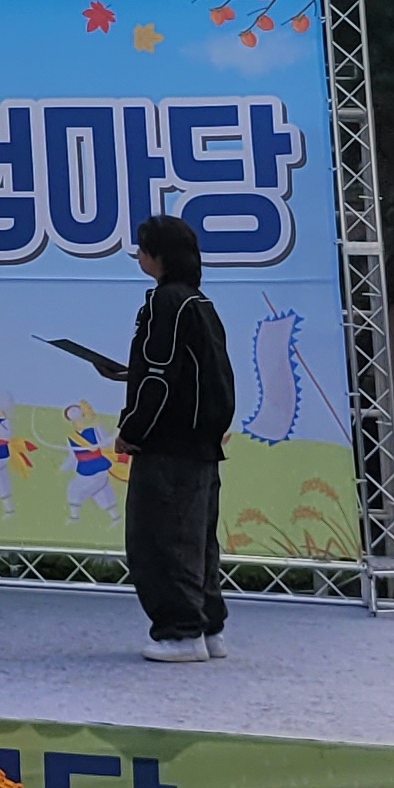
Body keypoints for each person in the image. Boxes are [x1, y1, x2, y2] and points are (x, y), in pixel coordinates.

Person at [104, 213, 236, 660]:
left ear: (157, 256)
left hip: (167, 445)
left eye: (142, 249)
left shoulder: (166, 302)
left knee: (160, 540)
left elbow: (159, 377)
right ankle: (208, 628)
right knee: (197, 541)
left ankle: (180, 633)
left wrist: (131, 429)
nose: (138, 256)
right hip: (200, 444)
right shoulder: (199, 303)